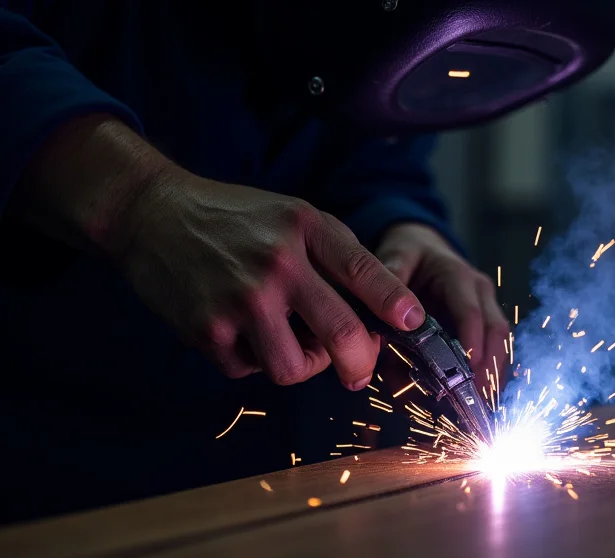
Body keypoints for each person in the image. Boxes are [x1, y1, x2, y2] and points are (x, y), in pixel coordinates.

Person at [0, 2, 508, 523]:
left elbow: (373, 153)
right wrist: (135, 198)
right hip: (41, 464)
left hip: (265, 474)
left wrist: (401, 229)